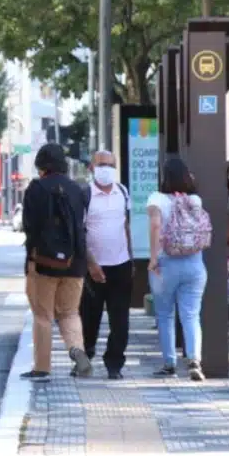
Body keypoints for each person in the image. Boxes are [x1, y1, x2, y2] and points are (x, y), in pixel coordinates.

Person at [20, 143, 92, 380]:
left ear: (41, 165)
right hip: (75, 263)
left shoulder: (36, 189)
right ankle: (77, 351)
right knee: (70, 313)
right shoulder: (77, 190)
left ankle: (42, 367)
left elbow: (29, 227)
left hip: (43, 263)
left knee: (42, 315)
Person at [147, 157, 208, 381]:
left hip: (166, 263)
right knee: (191, 315)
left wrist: (153, 258)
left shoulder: (157, 199)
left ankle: (169, 363)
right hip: (194, 263)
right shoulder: (195, 200)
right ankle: (194, 360)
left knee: (164, 315)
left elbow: (155, 225)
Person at [80, 150, 133, 379]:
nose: (107, 168)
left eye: (111, 164)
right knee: (89, 319)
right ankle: (86, 355)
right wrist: (91, 264)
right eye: (102, 164)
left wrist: (130, 258)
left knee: (120, 321)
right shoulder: (85, 195)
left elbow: (126, 226)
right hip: (93, 267)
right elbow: (79, 234)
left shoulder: (122, 191)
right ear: (92, 167)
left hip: (120, 265)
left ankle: (115, 363)